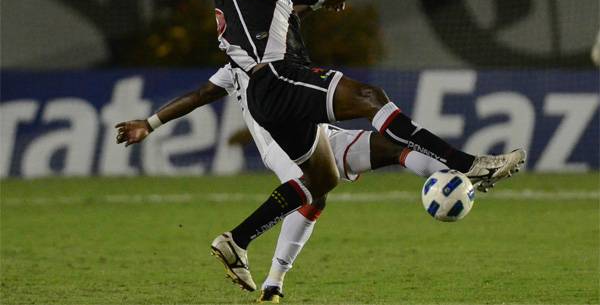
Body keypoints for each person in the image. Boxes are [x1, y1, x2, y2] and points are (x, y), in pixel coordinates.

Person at [71, 0, 526, 296]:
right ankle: (467, 163)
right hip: (272, 77)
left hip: (278, 93)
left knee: (320, 183)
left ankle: (238, 241)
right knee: (370, 97)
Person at [115, 61, 451, 303]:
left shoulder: (280, 49)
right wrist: (150, 123)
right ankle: (245, 249)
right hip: (281, 145)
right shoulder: (238, 64)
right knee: (316, 191)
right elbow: (200, 95)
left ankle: (455, 178)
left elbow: (292, 10)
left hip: (320, 135)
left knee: (392, 149)